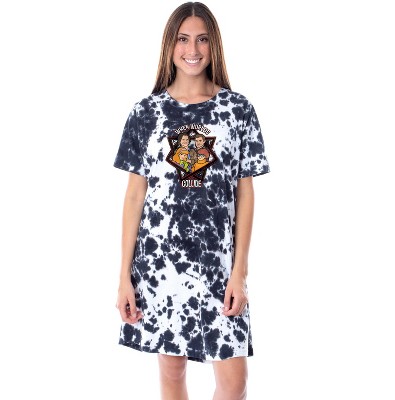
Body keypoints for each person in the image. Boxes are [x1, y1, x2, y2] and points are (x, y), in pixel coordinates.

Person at [114, 2, 270, 399]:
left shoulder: (237, 110)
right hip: (160, 264)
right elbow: (135, 197)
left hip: (218, 265)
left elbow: (245, 192)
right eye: (183, 39)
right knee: (172, 372)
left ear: (214, 45)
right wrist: (124, 277)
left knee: (234, 383)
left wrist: (240, 272)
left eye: (202, 39)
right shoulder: (146, 113)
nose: (192, 49)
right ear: (170, 45)